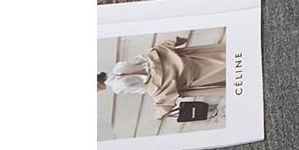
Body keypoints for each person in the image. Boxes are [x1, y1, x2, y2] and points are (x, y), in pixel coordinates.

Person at [97, 35, 226, 119]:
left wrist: (160, 109)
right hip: (166, 63)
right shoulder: (118, 67)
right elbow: (142, 59)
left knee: (165, 101)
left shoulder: (118, 88)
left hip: (166, 80)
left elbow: (143, 88)